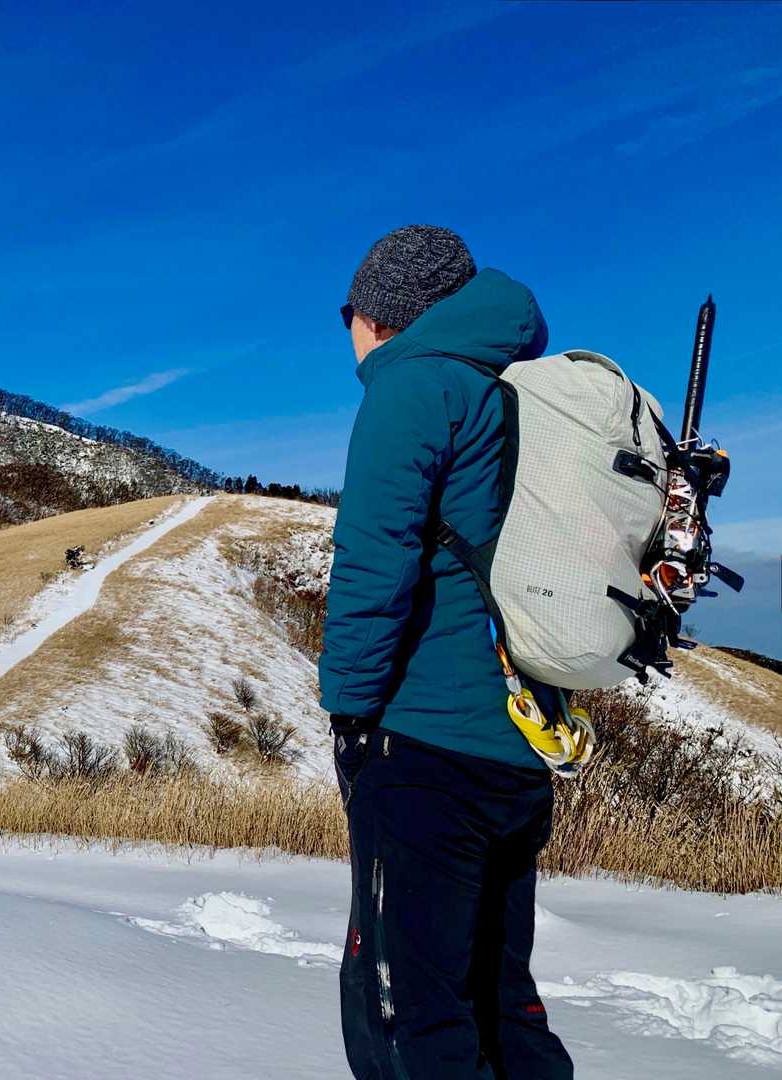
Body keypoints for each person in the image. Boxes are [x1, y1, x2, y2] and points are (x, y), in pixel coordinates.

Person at [320, 225, 574, 1079]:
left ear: (380, 315)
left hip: (425, 749)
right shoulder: (515, 392)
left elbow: (373, 560)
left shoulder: (413, 386)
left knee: (406, 1018)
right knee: (503, 1005)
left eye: (349, 314)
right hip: (520, 748)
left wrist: (349, 712)